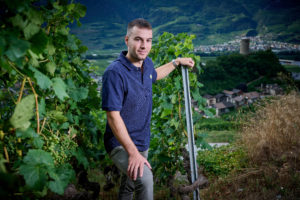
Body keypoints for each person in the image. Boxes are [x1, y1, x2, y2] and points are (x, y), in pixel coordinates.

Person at [101, 18, 194, 200]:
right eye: (138, 39)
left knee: (128, 186)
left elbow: (155, 74)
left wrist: (176, 62)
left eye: (148, 40)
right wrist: (133, 153)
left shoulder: (147, 65)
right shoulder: (114, 73)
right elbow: (112, 117)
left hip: (141, 141)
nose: (144, 45)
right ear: (127, 40)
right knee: (144, 179)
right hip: (121, 143)